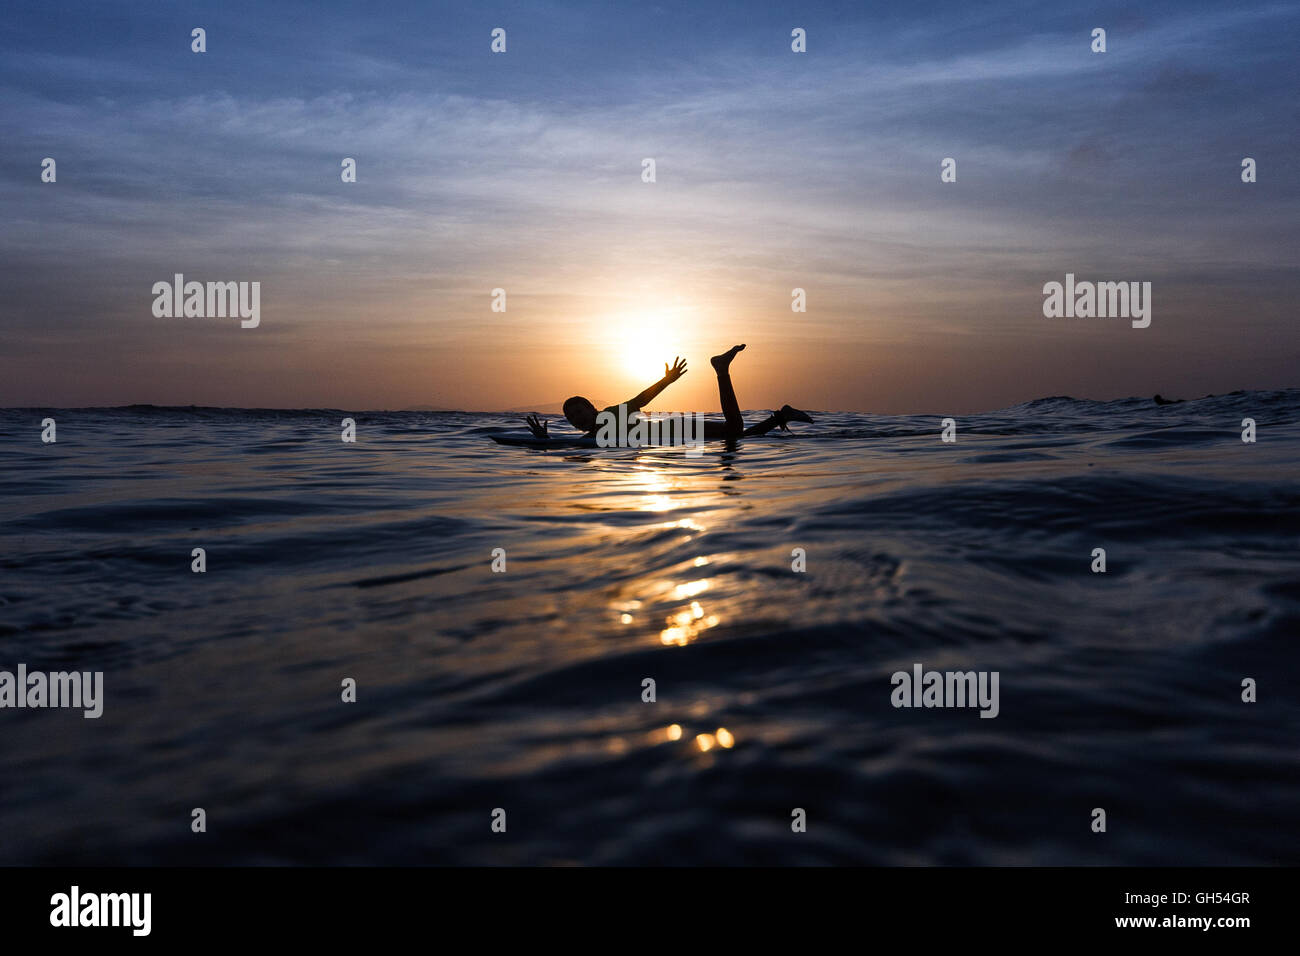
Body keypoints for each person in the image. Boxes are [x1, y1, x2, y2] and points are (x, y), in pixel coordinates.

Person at [524, 344, 813, 442]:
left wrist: (667, 381)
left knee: (736, 430)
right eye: (570, 417)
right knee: (740, 434)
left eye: (579, 411)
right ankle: (781, 415)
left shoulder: (608, 416)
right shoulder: (596, 432)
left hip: (675, 429)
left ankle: (721, 369)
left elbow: (640, 401)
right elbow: (586, 442)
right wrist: (548, 440)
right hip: (675, 432)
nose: (576, 419)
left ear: (592, 408)